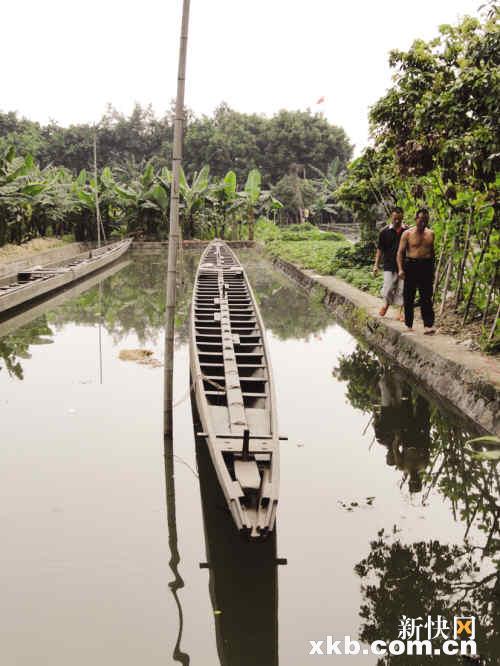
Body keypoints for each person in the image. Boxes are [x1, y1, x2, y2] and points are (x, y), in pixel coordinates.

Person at [397, 208, 436, 334]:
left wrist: (433, 270)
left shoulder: (431, 234)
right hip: (411, 265)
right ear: (416, 219)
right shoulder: (407, 234)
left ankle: (428, 325)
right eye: (420, 219)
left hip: (426, 266)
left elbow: (432, 252)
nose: (423, 222)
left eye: (425, 220)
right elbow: (400, 253)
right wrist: (400, 269)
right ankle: (409, 324)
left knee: (426, 297)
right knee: (409, 296)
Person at [373, 206, 407, 319]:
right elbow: (380, 250)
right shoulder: (384, 232)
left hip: (404, 264)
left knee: (402, 289)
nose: (397, 221)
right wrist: (376, 265)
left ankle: (399, 312)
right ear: (391, 218)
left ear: (402, 217)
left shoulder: (407, 231)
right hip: (389, 264)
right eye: (395, 219)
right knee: (388, 288)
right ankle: (386, 304)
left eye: (399, 219)